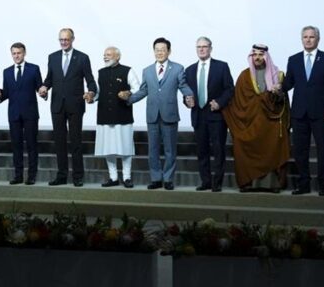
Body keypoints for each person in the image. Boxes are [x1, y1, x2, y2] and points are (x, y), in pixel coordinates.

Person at [122, 37, 191, 190]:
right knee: (152, 150)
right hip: (152, 115)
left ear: (169, 51)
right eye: (157, 50)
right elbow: (144, 90)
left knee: (170, 150)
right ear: (154, 51)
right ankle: (155, 178)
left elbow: (183, 86)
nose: (159, 52)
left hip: (170, 114)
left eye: (163, 50)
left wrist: (190, 96)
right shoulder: (147, 70)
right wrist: (128, 100)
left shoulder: (178, 68)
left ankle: (168, 179)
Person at [281, 25, 324, 196]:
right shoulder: (294, 59)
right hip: (299, 113)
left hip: (322, 113)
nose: (308, 39)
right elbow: (289, 83)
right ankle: (303, 183)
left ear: (318, 39)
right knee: (300, 151)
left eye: (311, 37)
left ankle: (323, 184)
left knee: (323, 149)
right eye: (305, 37)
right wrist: (278, 86)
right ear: (301, 39)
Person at [223, 45, 290, 192]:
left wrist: (277, 93)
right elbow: (240, 101)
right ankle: (249, 183)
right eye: (255, 55)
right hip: (250, 122)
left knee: (273, 147)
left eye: (261, 54)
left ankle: (272, 185)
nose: (258, 57)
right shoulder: (244, 76)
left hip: (270, 123)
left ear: (266, 57)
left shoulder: (278, 76)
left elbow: (283, 102)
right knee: (242, 142)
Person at [40, 27, 98, 186]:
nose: (63, 42)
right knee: (59, 142)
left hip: (75, 105)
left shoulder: (82, 58)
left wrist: (92, 92)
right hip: (57, 105)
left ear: (73, 39)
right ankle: (62, 175)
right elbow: (49, 79)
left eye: (66, 39)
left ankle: (78, 176)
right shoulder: (52, 57)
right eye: (61, 40)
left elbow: (90, 80)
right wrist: (44, 88)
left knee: (76, 142)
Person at [183, 37, 234, 192]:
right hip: (198, 115)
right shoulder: (190, 70)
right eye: (199, 47)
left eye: (205, 46)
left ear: (211, 48)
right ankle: (205, 181)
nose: (202, 49)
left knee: (218, 150)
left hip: (216, 115)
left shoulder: (222, 67)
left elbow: (230, 89)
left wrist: (219, 102)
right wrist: (187, 101)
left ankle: (217, 183)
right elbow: (186, 93)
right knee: (202, 151)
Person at [0, 42, 42, 185]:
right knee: (16, 146)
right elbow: (7, 93)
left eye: (19, 53)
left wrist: (43, 92)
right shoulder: (7, 71)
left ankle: (32, 176)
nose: (16, 56)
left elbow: (40, 88)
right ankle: (18, 175)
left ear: (24, 53)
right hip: (14, 114)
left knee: (32, 145)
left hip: (30, 114)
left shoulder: (34, 69)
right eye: (14, 53)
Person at [93, 47, 139, 188]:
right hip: (104, 115)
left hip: (122, 115)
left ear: (117, 57)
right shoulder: (100, 72)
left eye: (109, 55)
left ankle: (127, 177)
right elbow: (97, 93)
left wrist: (128, 93)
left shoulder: (128, 70)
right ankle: (113, 177)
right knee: (108, 149)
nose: (105, 57)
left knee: (126, 149)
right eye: (104, 55)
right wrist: (90, 96)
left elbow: (137, 89)